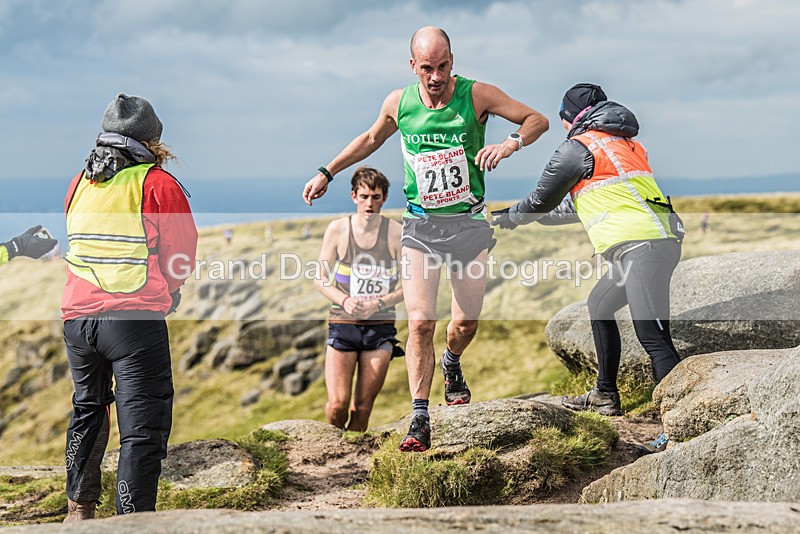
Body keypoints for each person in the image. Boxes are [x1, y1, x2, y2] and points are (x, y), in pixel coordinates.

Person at [302, 26, 549, 452]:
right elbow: (369, 139)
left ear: (453, 60)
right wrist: (328, 172)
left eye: (443, 66)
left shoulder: (477, 95)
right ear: (412, 65)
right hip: (421, 227)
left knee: (464, 324)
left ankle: (452, 362)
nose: (435, 77)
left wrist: (508, 145)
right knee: (419, 324)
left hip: (469, 226)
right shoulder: (399, 102)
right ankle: (420, 417)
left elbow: (537, 120)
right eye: (427, 68)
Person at [491, 83, 684, 456]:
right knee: (600, 305)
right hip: (651, 242)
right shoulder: (622, 143)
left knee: (653, 337)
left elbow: (540, 200)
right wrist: (526, 220)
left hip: (642, 247)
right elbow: (579, 204)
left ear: (568, 118)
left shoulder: (577, 147)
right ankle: (605, 395)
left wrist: (513, 217)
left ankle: (678, 428)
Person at [61, 93, 197, 521]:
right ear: (152, 140)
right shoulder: (157, 183)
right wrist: (169, 292)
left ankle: (78, 510)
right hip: (133, 321)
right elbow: (181, 255)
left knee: (88, 409)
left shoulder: (80, 181)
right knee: (142, 427)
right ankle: (132, 521)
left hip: (77, 320)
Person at [314, 167, 404, 431]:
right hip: (343, 326)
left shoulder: (396, 233)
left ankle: (351, 464)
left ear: (385, 198)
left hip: (380, 330)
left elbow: (413, 286)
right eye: (364, 196)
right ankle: (332, 451)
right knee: (337, 406)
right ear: (354, 196)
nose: (369, 203)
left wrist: (380, 303)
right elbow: (319, 278)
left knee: (362, 408)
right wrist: (344, 301)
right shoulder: (338, 230)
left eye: (376, 197)